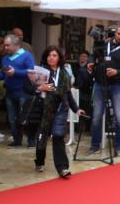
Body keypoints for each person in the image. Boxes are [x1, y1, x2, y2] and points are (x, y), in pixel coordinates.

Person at [34, 46, 85, 178]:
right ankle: (39, 161)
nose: (51, 58)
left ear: (59, 58)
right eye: (49, 55)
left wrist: (76, 109)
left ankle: (63, 168)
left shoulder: (64, 74)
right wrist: (40, 87)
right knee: (41, 138)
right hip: (44, 109)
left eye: (54, 55)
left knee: (58, 136)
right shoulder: (41, 71)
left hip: (61, 109)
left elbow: (68, 93)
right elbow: (29, 88)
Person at [86, 25, 120, 156]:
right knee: (96, 117)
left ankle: (119, 147)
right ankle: (95, 146)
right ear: (115, 33)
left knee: (119, 117)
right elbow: (93, 55)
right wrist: (90, 63)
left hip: (116, 85)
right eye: (118, 33)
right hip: (100, 83)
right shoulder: (105, 43)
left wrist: (116, 71)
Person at [1, 33, 36, 147]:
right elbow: (4, 74)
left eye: (7, 45)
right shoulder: (5, 58)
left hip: (24, 92)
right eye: (4, 45)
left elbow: (31, 72)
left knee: (25, 118)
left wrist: (15, 72)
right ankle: (17, 140)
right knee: (12, 119)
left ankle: (31, 141)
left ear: (16, 44)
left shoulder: (27, 56)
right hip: (10, 92)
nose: (5, 48)